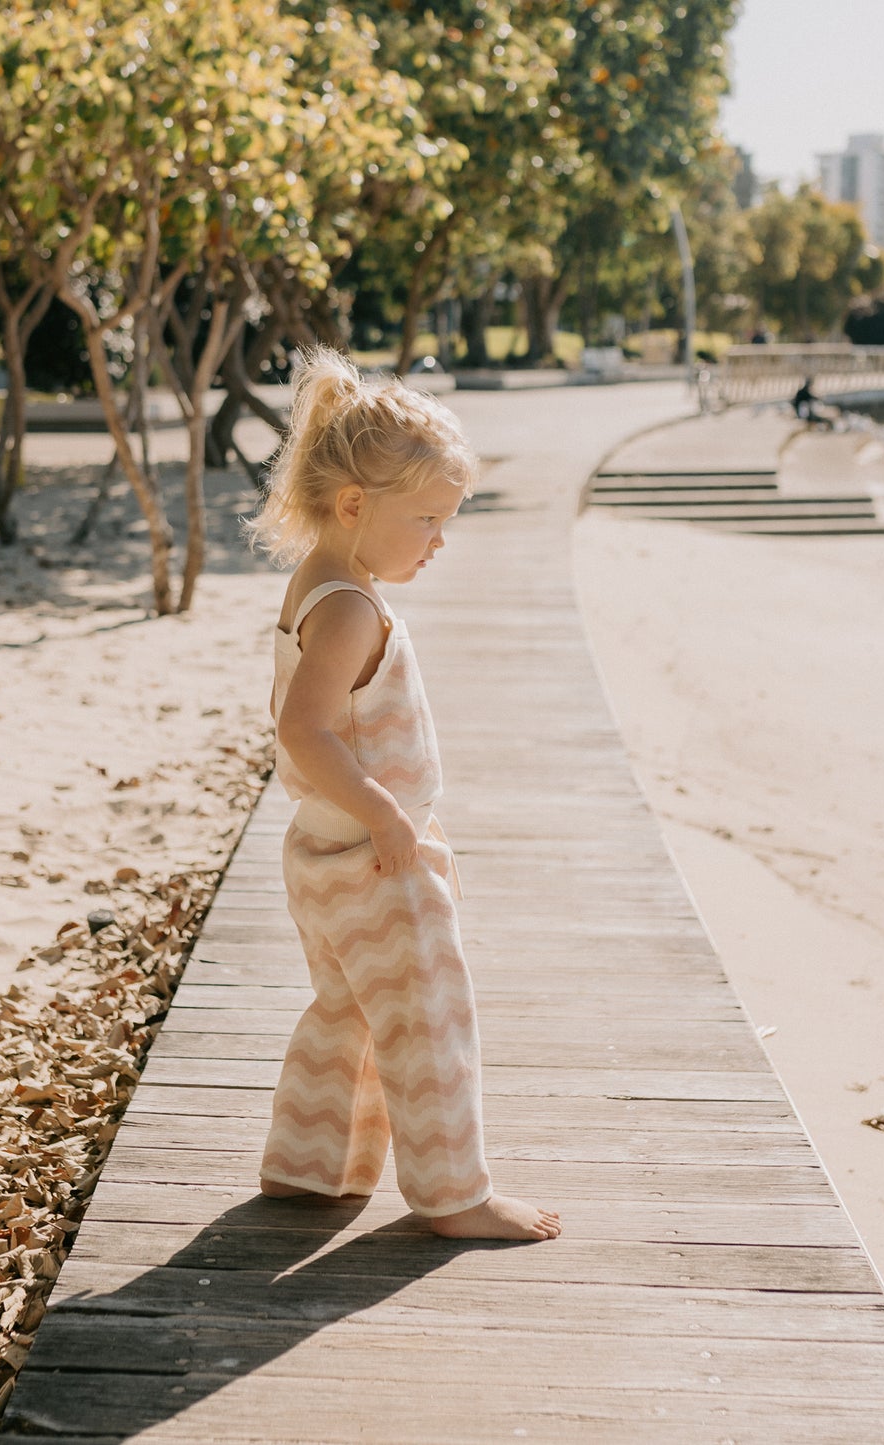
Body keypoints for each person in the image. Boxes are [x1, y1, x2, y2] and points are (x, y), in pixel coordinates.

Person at [246, 347, 561, 1242]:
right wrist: (388, 812)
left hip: (324, 847)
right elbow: (304, 729)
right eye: (424, 518)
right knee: (429, 1020)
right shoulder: (349, 606)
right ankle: (454, 1194)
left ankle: (312, 1166)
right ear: (354, 506)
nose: (438, 539)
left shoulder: (322, 580)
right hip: (369, 855)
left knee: (345, 1011)